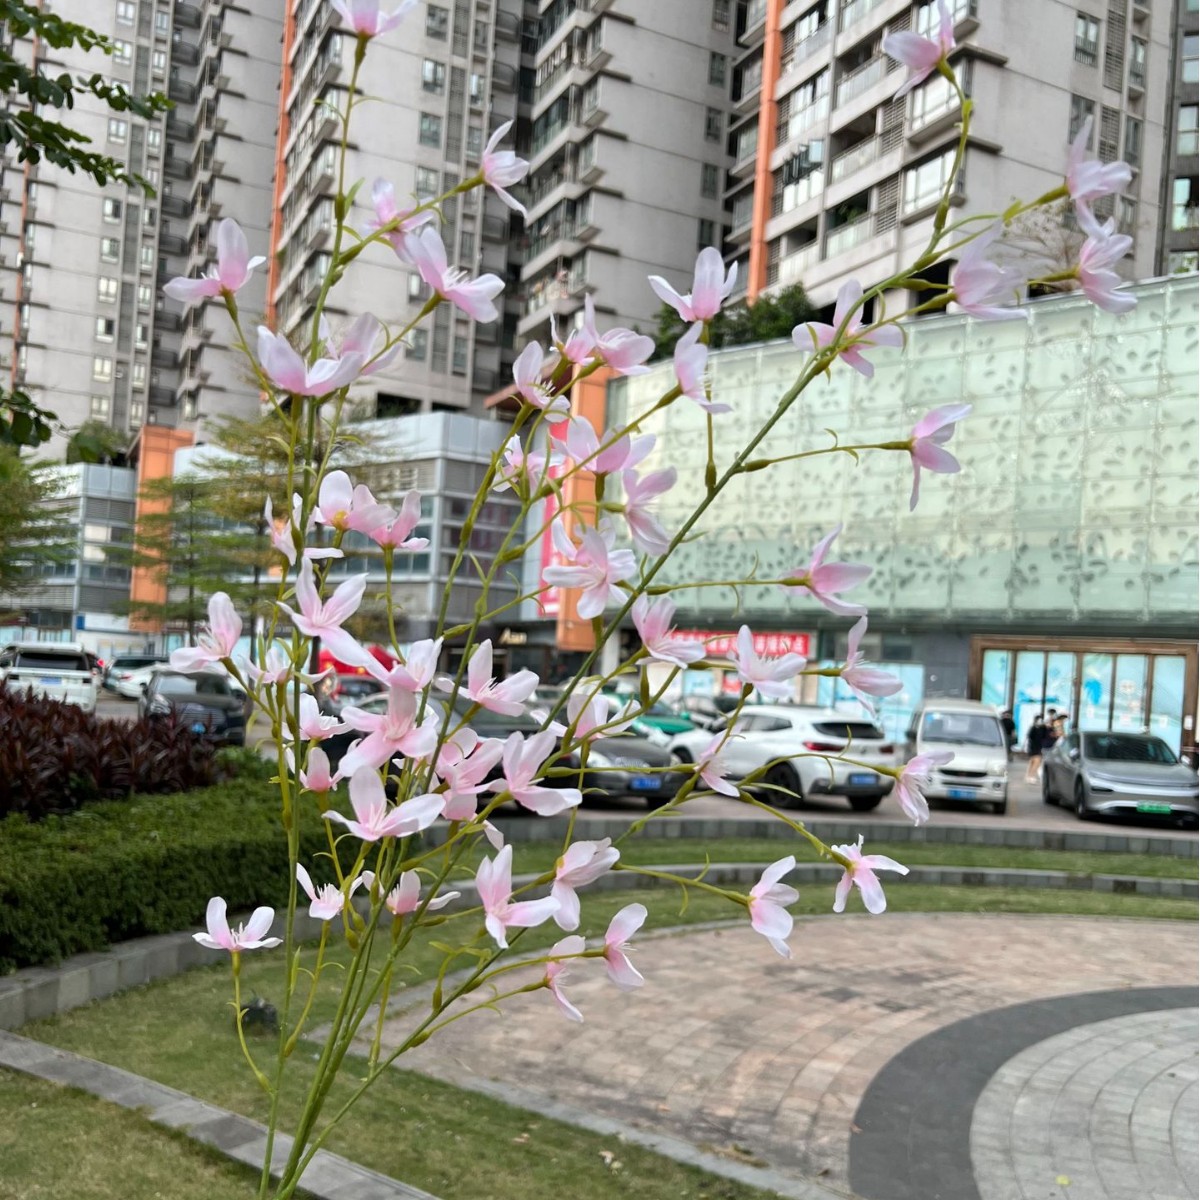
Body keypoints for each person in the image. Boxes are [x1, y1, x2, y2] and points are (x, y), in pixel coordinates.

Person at [1024, 713, 1047, 783]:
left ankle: (1028, 776)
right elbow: (1030, 737)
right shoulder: (1033, 728)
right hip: (1033, 747)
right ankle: (1031, 776)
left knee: (1034, 762)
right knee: (1035, 762)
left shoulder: (1043, 728)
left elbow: (1044, 735)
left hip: (1038, 747)